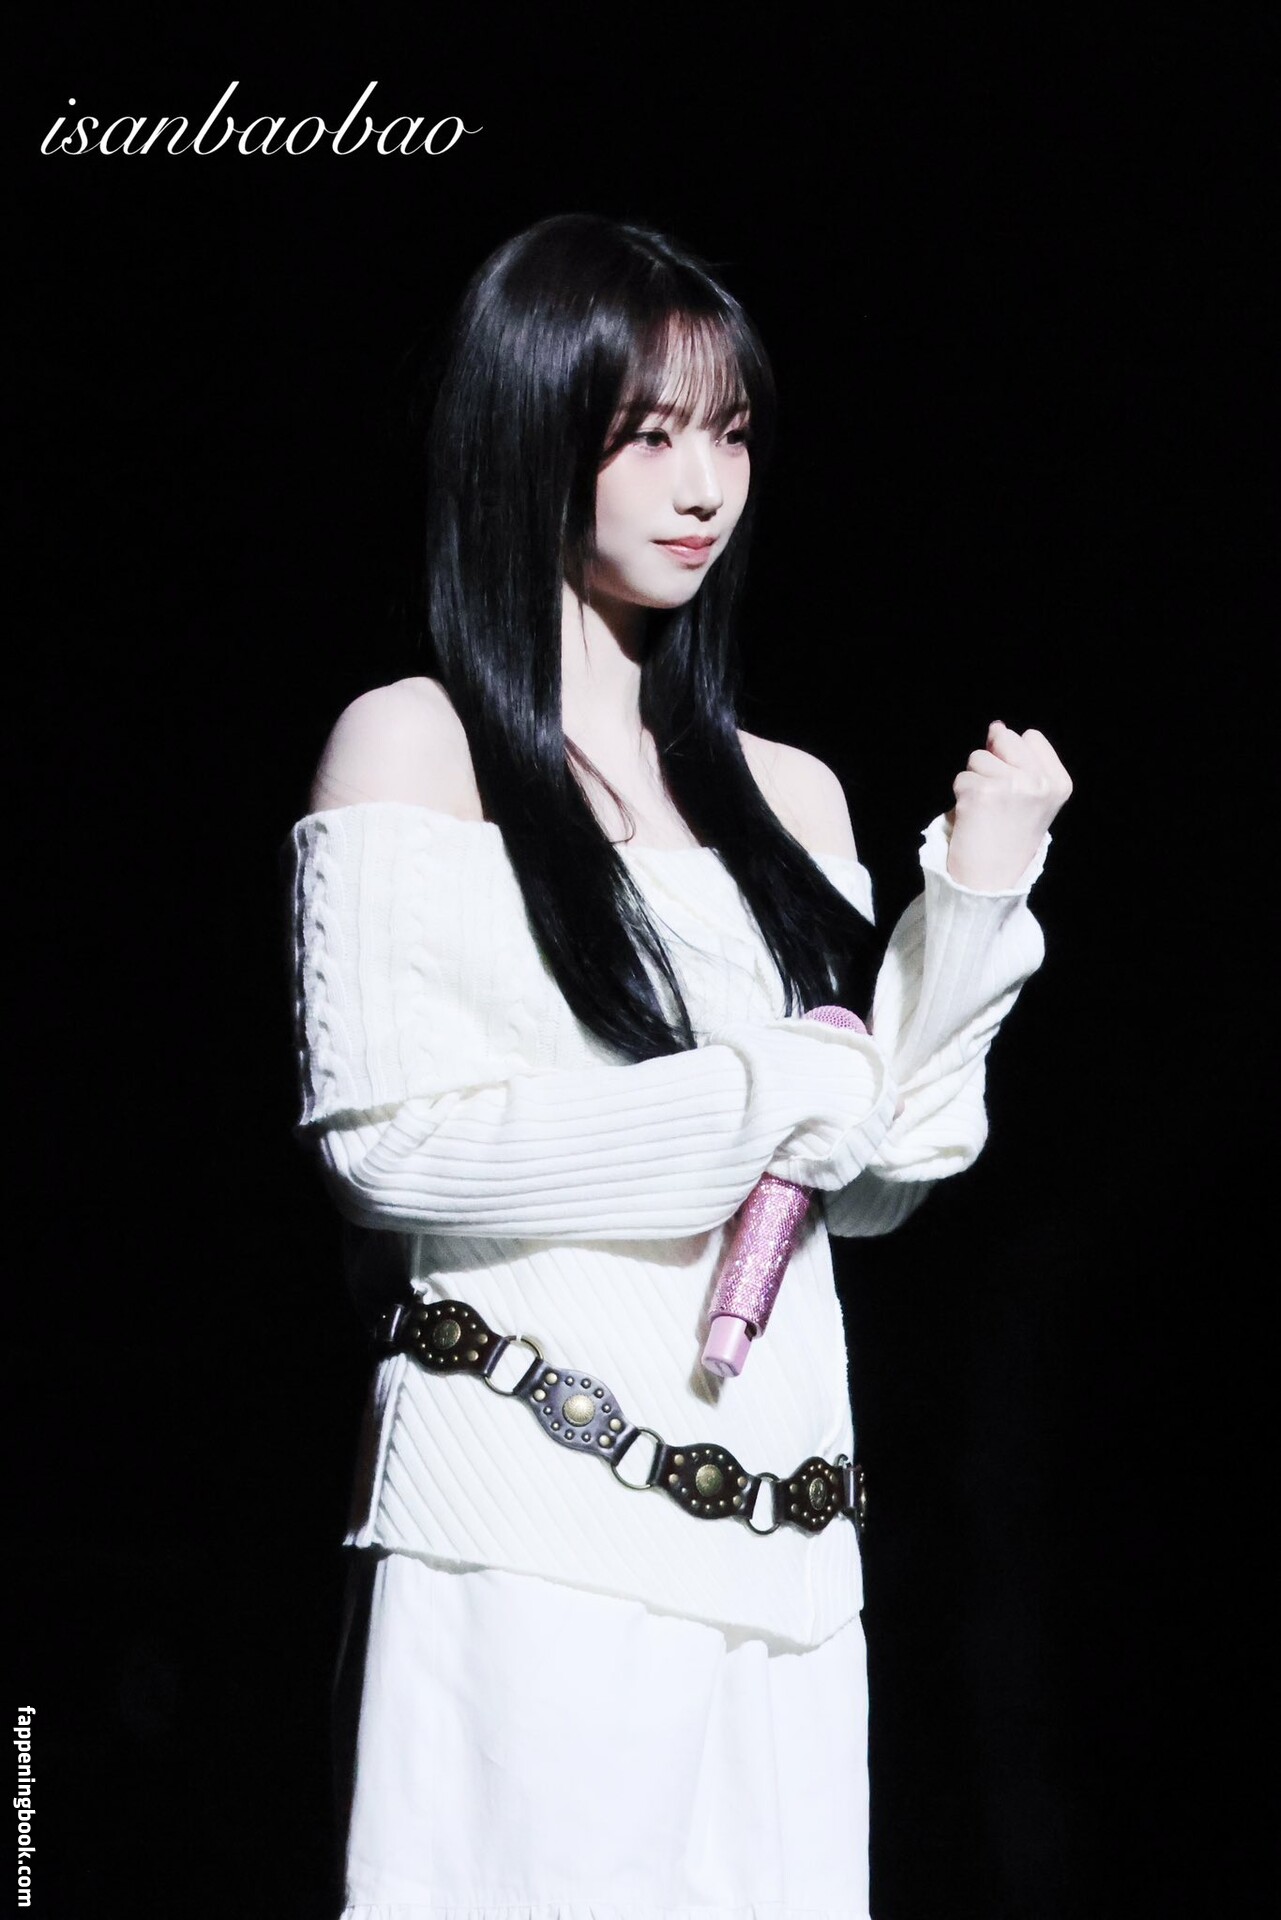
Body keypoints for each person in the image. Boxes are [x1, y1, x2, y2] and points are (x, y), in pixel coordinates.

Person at [286, 211, 1071, 1920]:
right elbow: (389, 1147)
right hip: (528, 1523)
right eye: (648, 435)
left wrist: (972, 900)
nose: (703, 484)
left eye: (729, 433)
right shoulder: (415, 744)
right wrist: (757, 1095)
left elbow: (873, 1172)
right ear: (531, 432)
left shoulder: (786, 793)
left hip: (784, 1550)